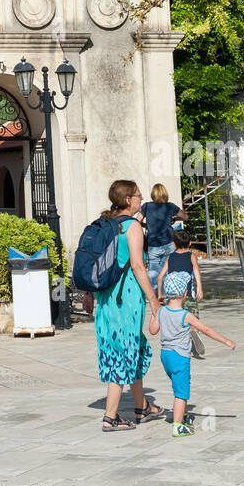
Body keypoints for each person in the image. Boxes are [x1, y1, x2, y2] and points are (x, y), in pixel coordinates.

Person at [94, 179, 166, 432]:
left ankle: (142, 406)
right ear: (128, 200)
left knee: (134, 348)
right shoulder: (132, 227)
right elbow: (137, 266)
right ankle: (110, 417)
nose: (141, 199)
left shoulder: (107, 225)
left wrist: (88, 293)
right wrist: (154, 300)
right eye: (137, 195)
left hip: (106, 299)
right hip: (125, 299)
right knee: (122, 353)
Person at [149, 271, 235, 437]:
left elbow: (152, 330)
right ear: (185, 293)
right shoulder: (186, 315)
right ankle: (177, 425)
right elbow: (206, 329)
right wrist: (226, 341)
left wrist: (155, 312)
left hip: (165, 356)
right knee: (181, 393)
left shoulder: (161, 311)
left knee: (180, 384)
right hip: (179, 357)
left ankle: (184, 415)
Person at [158, 229, 205, 356]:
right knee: (193, 316)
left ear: (174, 243)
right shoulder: (192, 256)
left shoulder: (170, 257)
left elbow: (160, 276)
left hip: (172, 296)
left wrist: (160, 294)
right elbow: (196, 272)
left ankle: (181, 342)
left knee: (177, 319)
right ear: (190, 243)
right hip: (188, 294)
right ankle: (194, 330)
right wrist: (200, 288)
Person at [141, 183, 186, 293]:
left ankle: (156, 298)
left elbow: (137, 221)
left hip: (153, 245)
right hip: (168, 244)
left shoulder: (146, 206)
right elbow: (185, 216)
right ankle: (168, 296)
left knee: (153, 273)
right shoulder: (170, 206)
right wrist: (175, 217)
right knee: (167, 271)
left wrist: (147, 225)